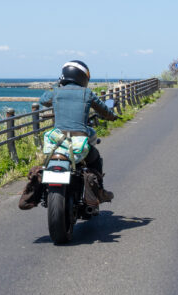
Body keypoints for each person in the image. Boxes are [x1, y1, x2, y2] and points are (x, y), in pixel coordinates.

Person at [38, 60, 118, 204]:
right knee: (95, 158)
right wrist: (112, 116)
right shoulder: (86, 93)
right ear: (83, 77)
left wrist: (57, 85)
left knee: (45, 164)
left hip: (58, 141)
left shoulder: (56, 92)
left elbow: (43, 100)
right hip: (79, 140)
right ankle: (99, 191)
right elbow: (104, 110)